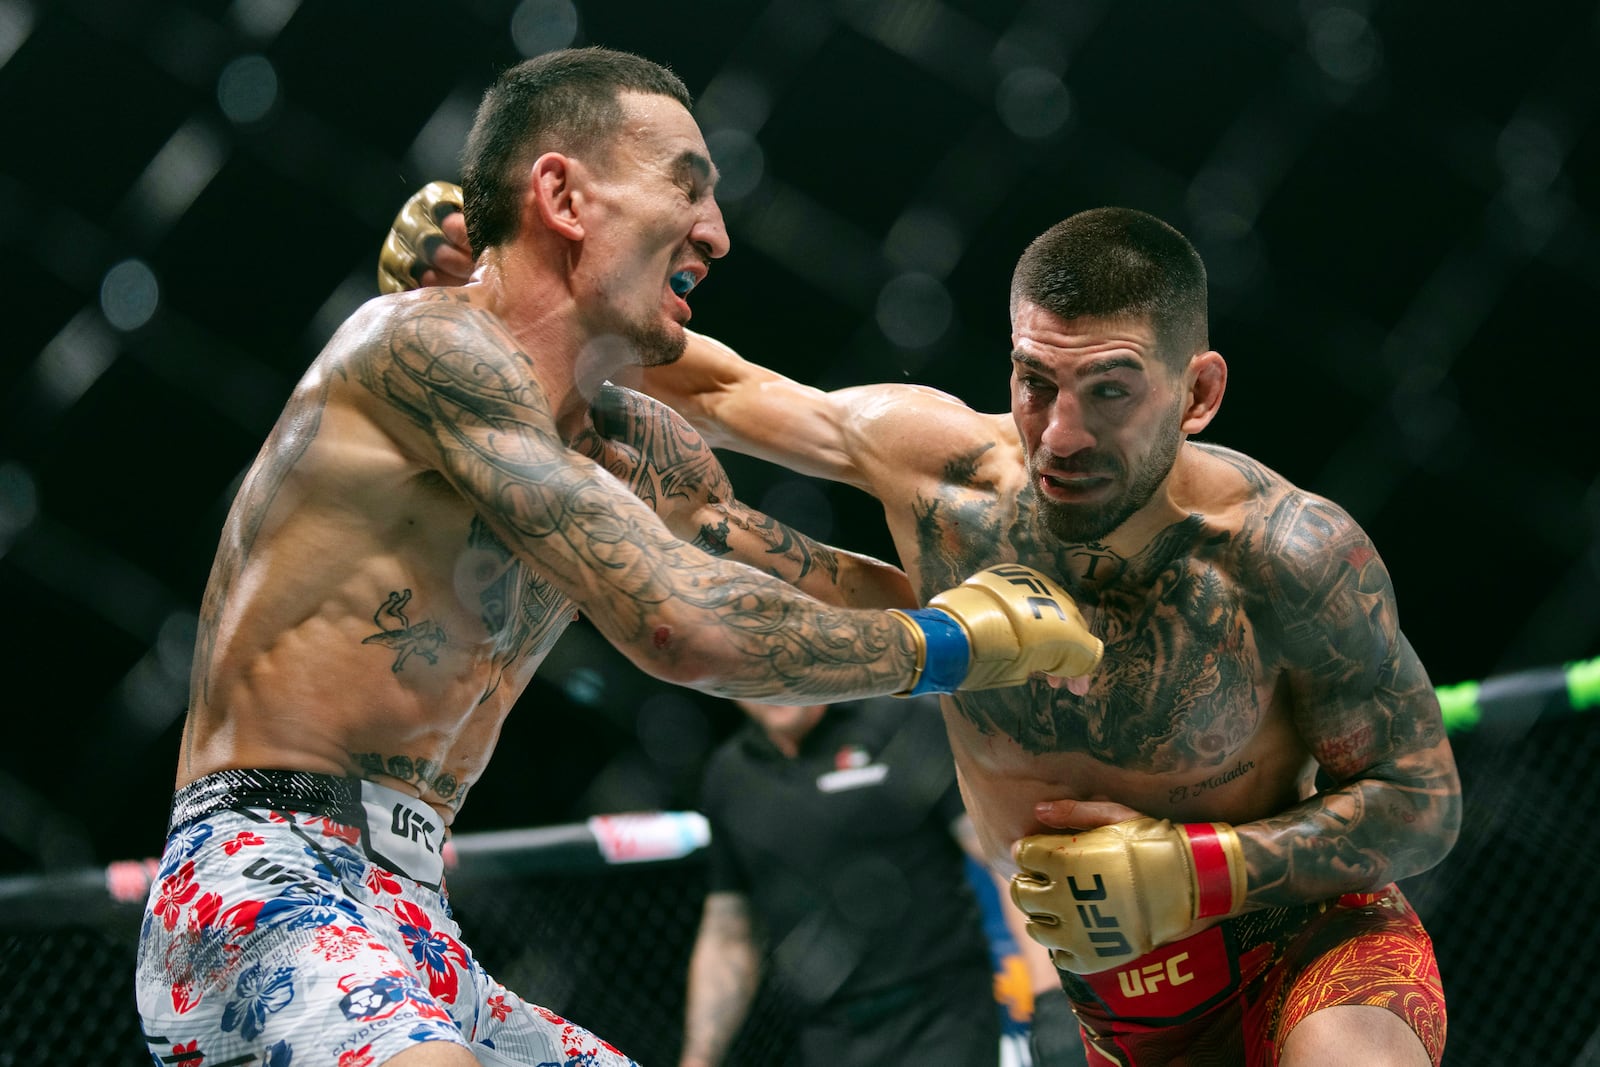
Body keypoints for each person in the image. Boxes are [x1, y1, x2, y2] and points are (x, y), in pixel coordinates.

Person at [134, 48, 1105, 1067]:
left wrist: (1040, 622)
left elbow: (800, 580)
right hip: (262, 879)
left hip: (417, 916)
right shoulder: (422, 349)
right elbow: (681, 622)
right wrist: (957, 643)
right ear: (560, 194)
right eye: (687, 186)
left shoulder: (633, 445)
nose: (718, 233)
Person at [385, 188, 1462, 1065]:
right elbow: (717, 384)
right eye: (1035, 382)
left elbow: (1420, 801)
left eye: (1110, 389)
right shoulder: (949, 480)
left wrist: (1198, 868)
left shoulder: (1286, 554)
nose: (1062, 433)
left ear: (1198, 393)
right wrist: (501, 298)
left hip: (1302, 941)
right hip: (1118, 1011)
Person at [682, 695, 1015, 1067]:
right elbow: (729, 933)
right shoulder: (730, 775)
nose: (770, 690)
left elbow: (1003, 861)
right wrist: (697, 1061)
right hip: (827, 1031)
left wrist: (1053, 992)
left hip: (941, 1014)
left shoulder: (901, 721)